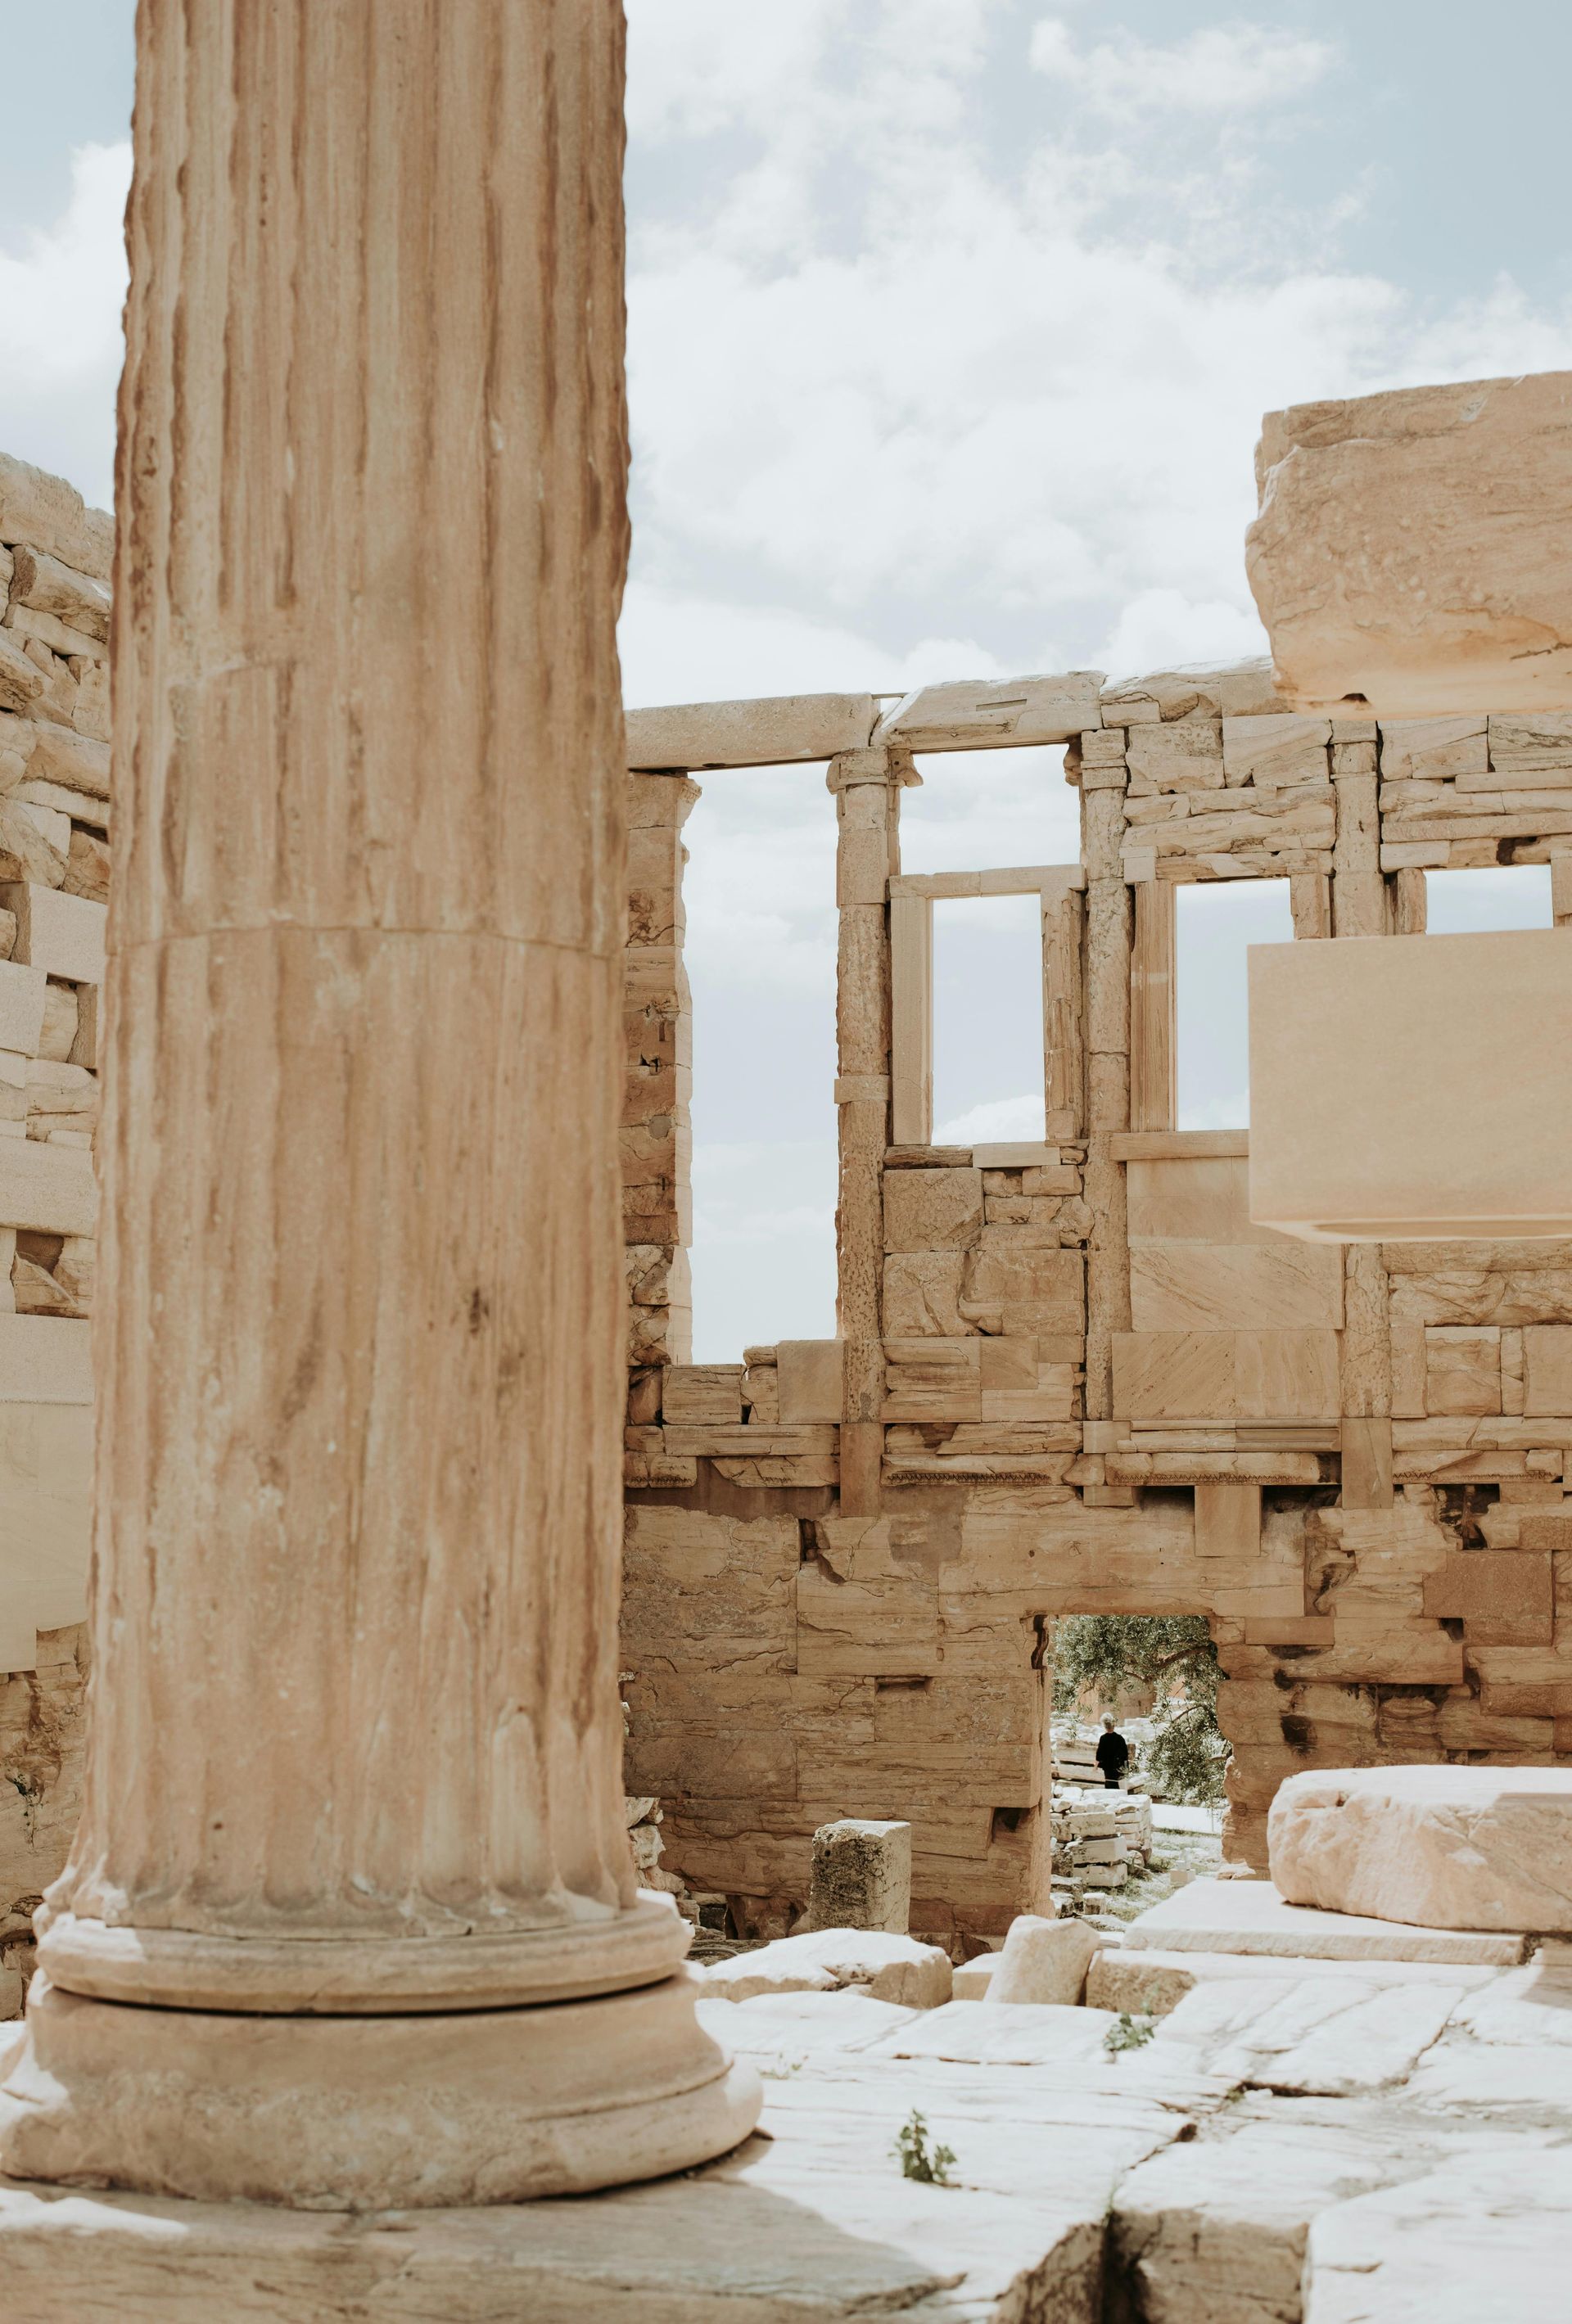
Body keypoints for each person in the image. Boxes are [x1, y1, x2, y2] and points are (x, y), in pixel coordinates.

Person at [1095, 1713, 1129, 1790]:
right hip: (1118, 1767)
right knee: (1111, 1785)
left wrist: (1095, 1767)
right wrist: (1126, 1768)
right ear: (1114, 1726)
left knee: (1111, 1785)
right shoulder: (1120, 1738)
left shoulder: (1103, 1738)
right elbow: (1125, 1754)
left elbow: (1099, 1754)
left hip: (1107, 1768)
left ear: (1105, 1727)